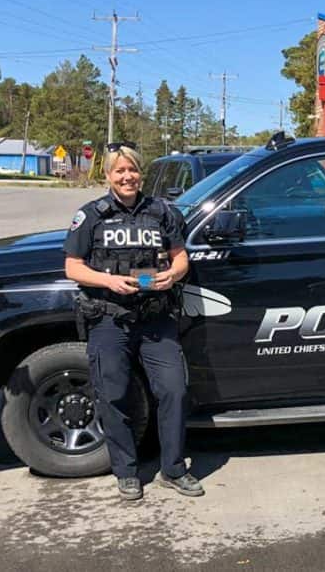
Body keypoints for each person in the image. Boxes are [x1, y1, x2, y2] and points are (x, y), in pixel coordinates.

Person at [63, 142, 201, 500]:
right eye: (119, 171)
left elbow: (180, 256)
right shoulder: (91, 215)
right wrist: (108, 281)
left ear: (141, 173)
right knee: (113, 396)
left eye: (133, 170)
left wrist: (173, 275)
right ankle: (126, 472)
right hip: (110, 319)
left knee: (174, 390)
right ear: (108, 175)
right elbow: (73, 267)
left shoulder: (161, 212)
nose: (127, 177)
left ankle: (173, 469)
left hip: (156, 318)